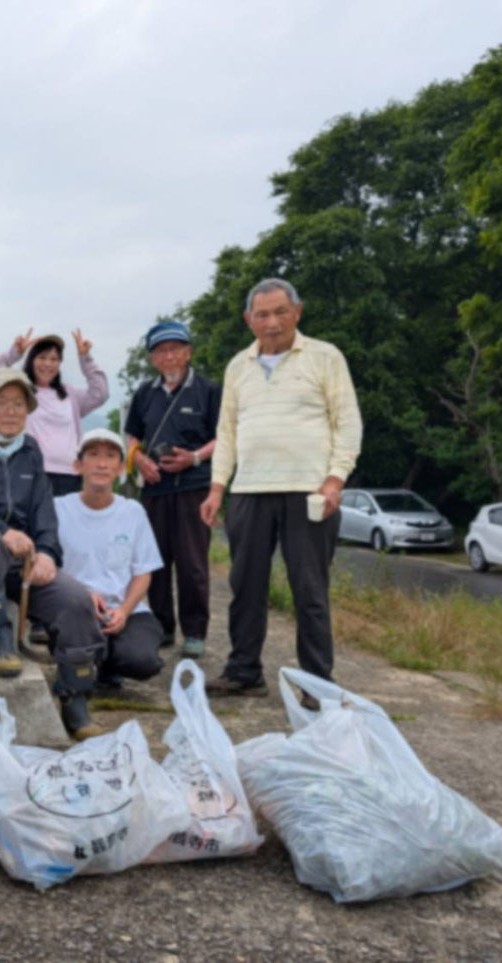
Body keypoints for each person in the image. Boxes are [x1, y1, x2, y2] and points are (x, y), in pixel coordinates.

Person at [199, 278, 362, 704]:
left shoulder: (325, 357)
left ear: (297, 313)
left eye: (280, 312)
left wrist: (335, 479)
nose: (271, 323)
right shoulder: (238, 366)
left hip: (308, 491)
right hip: (250, 490)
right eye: (262, 314)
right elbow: (227, 432)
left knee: (309, 590)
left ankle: (316, 682)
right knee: (245, 587)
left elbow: (348, 422)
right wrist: (218, 488)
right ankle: (244, 671)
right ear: (248, 319)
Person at [0, 367, 108, 739]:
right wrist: (3, 532)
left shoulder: (30, 450)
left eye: (19, 404)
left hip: (20, 565)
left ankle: (75, 696)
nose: (12, 412)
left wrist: (47, 553)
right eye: (2, 403)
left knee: (75, 599)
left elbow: (44, 510)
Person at [55, 429, 166, 726]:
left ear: (120, 468)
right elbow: (48, 566)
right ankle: (95, 661)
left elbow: (143, 573)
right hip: (77, 607)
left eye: (110, 457)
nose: (101, 464)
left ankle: (106, 661)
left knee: (143, 661)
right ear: (78, 466)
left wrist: (125, 611)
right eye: (93, 455)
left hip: (125, 608)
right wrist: (79, 594)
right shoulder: (59, 509)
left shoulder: (132, 512)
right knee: (79, 643)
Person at [125, 319, 221, 659]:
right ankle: (162, 626)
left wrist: (193, 458)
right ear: (153, 358)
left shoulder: (208, 391)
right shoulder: (144, 393)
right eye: (161, 351)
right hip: (154, 489)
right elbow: (132, 435)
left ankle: (195, 631)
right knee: (156, 561)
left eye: (175, 349)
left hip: (194, 486)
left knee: (193, 563)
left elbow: (223, 437)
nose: (169, 357)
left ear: (188, 352)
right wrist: (138, 460)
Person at [0, 329, 109, 496]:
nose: (48, 364)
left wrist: (86, 359)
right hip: (29, 472)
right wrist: (12, 355)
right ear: (31, 359)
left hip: (68, 475)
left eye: (54, 359)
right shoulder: (20, 391)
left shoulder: (70, 396)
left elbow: (100, 394)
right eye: (42, 357)